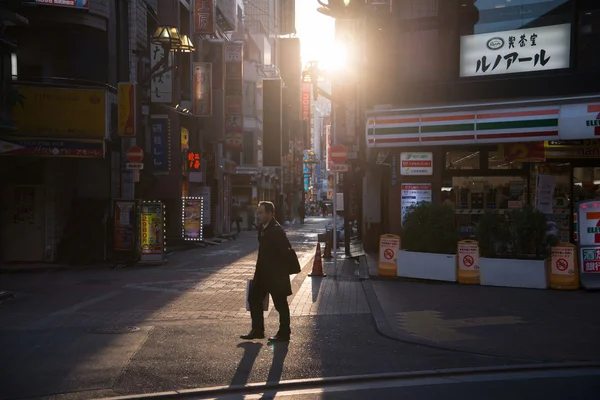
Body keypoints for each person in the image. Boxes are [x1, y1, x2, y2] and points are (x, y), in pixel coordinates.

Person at [241, 201, 292, 342]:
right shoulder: (262, 228)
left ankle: (284, 332)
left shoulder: (277, 230)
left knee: (280, 303)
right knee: (254, 298)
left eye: (261, 212)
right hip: (263, 273)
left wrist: (278, 270)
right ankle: (257, 330)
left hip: (276, 274)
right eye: (258, 212)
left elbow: (285, 252)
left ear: (270, 214)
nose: (258, 215)